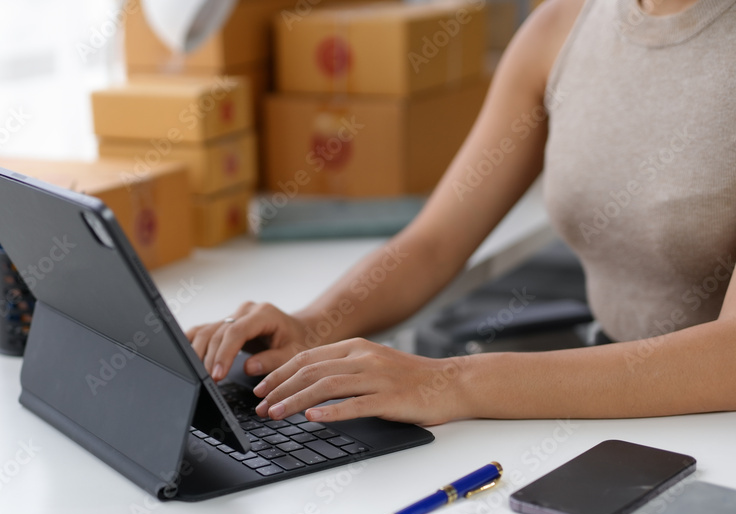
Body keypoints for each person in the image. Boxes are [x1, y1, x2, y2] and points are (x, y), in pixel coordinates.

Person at [185, 0, 736, 426]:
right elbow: (434, 242)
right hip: (615, 395)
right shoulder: (562, 26)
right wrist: (312, 324)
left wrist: (454, 381)